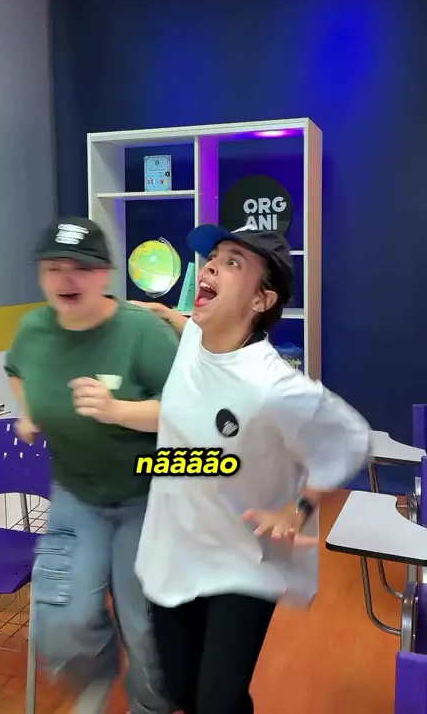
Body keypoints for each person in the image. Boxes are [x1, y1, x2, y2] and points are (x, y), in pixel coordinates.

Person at [134, 223, 372, 714]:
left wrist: (297, 508)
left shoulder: (274, 386)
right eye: (213, 257)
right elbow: (186, 326)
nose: (211, 266)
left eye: (233, 262)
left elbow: (351, 438)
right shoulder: (194, 338)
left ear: (261, 300)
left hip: (243, 561)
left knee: (217, 701)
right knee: (178, 689)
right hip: (173, 549)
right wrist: (160, 313)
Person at [4, 217, 179, 714]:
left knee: (144, 627)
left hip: (146, 497)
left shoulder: (141, 331)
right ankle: (98, 676)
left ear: (104, 273)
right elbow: (16, 369)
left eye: (80, 267)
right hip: (75, 494)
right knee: (62, 618)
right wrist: (31, 411)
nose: (66, 278)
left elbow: (188, 410)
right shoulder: (34, 330)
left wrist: (117, 410)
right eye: (53, 267)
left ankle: (150, 706)